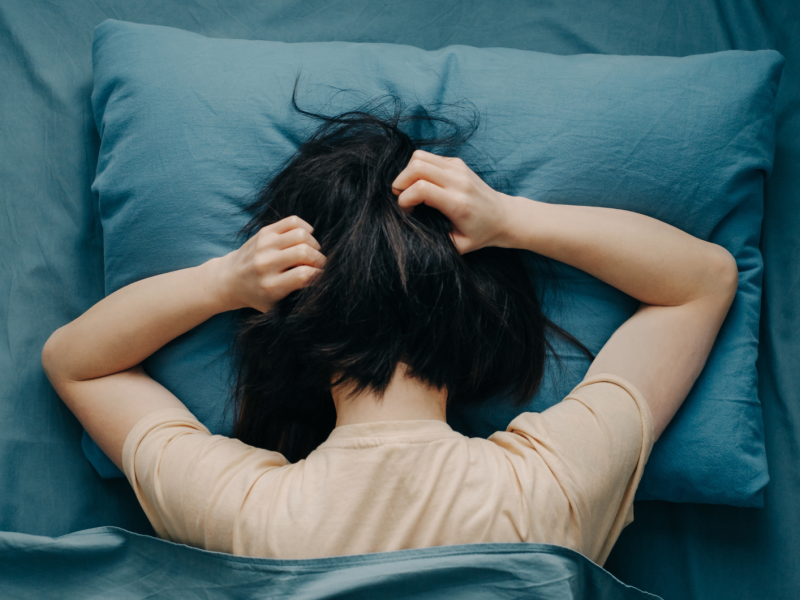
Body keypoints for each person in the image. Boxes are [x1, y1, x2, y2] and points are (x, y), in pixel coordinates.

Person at [41, 93, 738, 567]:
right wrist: (514, 219)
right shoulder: (552, 489)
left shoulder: (248, 515)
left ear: (288, 334)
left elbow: (76, 361)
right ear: (485, 315)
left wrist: (222, 283)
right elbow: (701, 281)